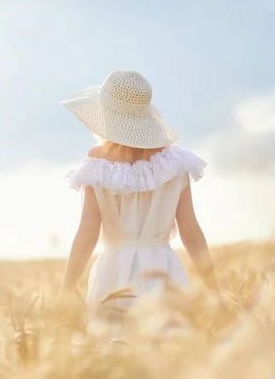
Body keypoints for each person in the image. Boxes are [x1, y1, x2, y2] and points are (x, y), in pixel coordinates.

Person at [55, 70, 223, 338]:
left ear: (107, 116)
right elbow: (190, 231)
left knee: (114, 354)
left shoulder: (98, 162)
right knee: (169, 354)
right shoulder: (176, 163)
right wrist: (214, 289)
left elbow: (87, 233)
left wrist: (66, 290)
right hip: (164, 272)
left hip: (113, 274)